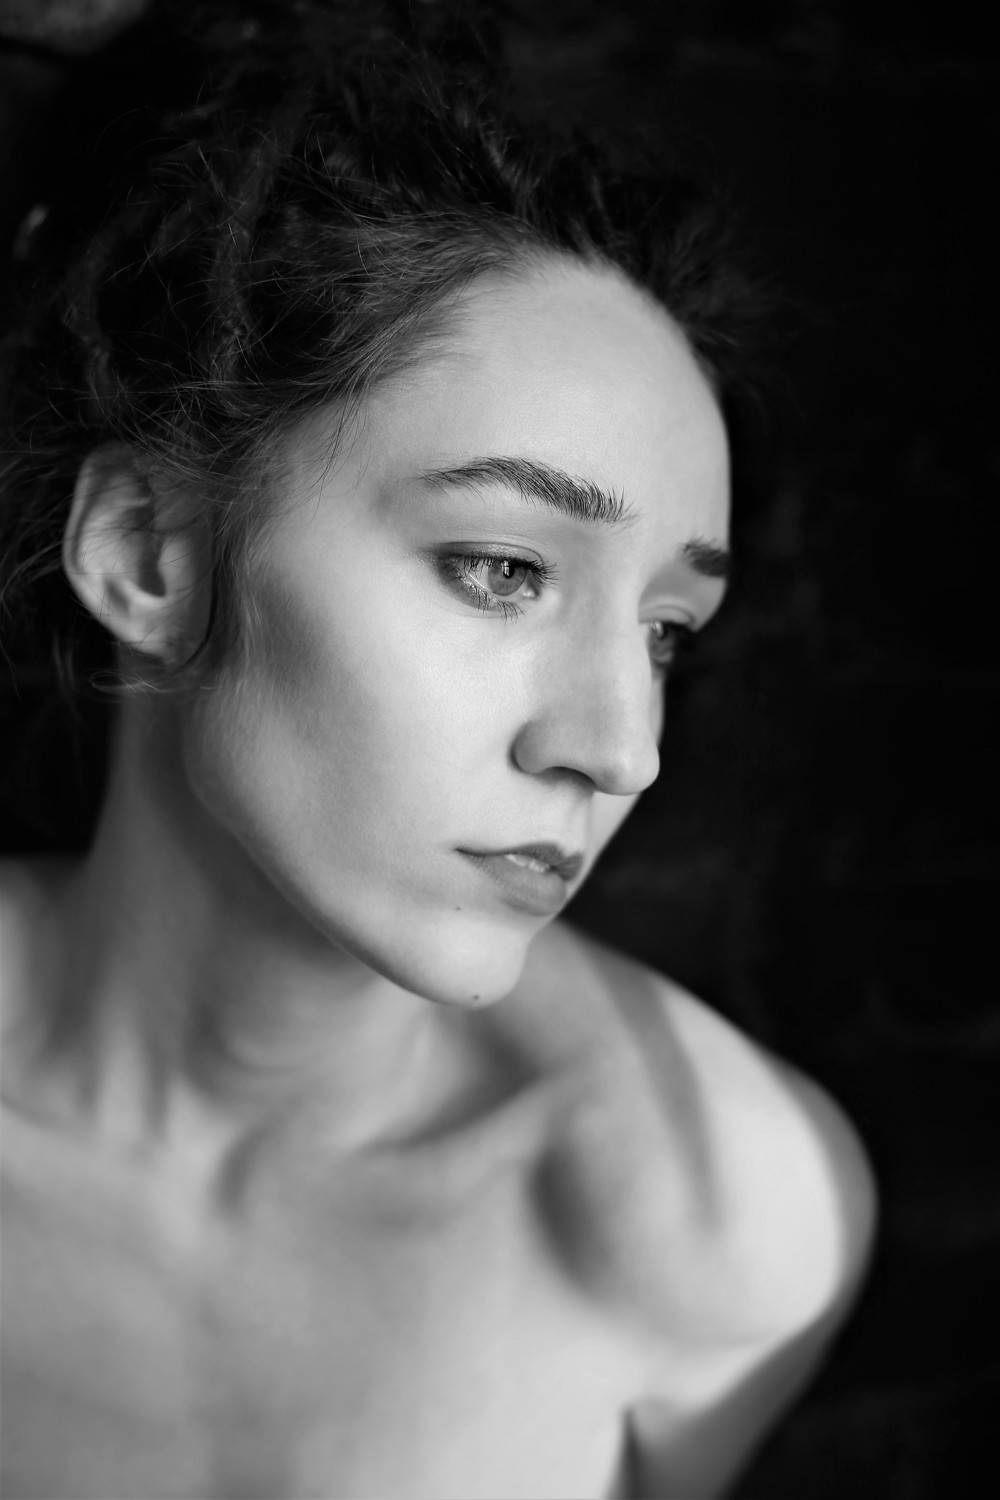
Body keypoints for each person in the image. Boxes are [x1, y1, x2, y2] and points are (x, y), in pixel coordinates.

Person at [0, 2, 876, 1496]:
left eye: (666, 629)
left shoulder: (718, 1224)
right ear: (148, 553)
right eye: (501, 569)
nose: (622, 750)